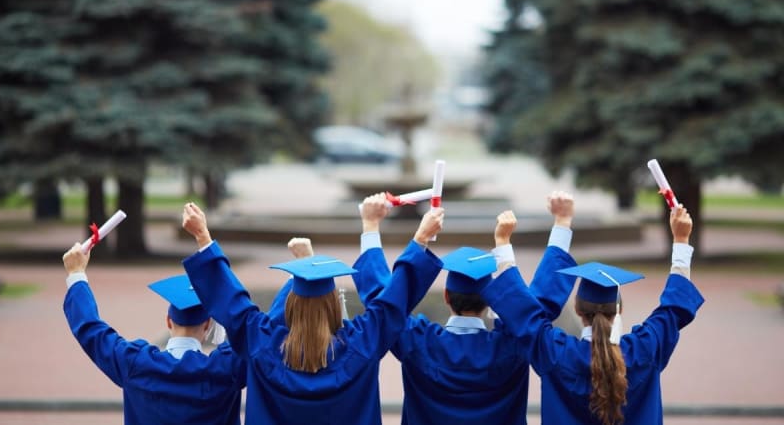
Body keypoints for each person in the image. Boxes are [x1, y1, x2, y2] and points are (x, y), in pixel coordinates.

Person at [180, 202, 445, 425]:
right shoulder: (362, 343)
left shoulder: (262, 344)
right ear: (333, 304)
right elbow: (391, 302)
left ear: (290, 305)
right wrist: (419, 239)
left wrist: (203, 237)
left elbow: (232, 303)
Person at [351, 191, 579, 424]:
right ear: (491, 299)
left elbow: (384, 309)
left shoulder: (418, 342)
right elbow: (535, 309)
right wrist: (562, 222)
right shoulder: (513, 344)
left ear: (447, 296)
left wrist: (372, 226)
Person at [481, 205, 705, 424]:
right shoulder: (644, 350)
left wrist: (503, 243)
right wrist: (681, 240)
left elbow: (524, 314)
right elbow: (674, 308)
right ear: (619, 309)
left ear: (578, 310)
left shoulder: (556, 353)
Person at [62, 243, 246, 425]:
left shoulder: (136, 364)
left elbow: (91, 329)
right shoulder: (226, 368)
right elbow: (260, 335)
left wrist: (76, 275)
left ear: (168, 321)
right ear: (207, 325)